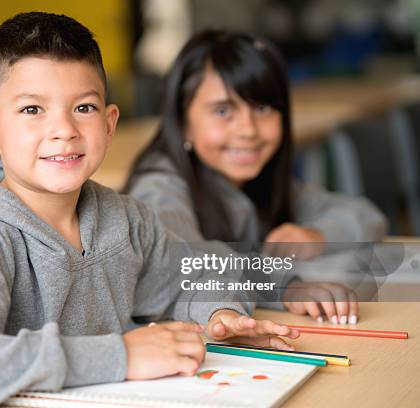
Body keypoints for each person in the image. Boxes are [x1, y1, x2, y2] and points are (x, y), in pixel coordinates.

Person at [0, 14, 299, 408]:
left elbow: (195, 277)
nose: (63, 129)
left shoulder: (125, 220)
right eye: (31, 110)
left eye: (84, 108)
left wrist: (220, 314)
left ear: (109, 124)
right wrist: (120, 356)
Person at [125, 30, 388, 326]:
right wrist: (288, 286)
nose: (248, 130)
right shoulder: (159, 188)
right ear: (183, 123)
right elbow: (189, 261)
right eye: (223, 110)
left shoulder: (257, 179)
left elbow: (366, 215)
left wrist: (318, 235)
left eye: (262, 108)